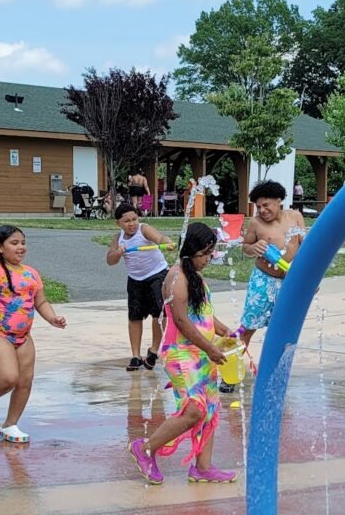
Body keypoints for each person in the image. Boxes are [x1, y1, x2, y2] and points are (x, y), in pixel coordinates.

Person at [127, 223, 236, 485]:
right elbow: (182, 321)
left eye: (212, 253)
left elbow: (204, 314)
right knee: (194, 411)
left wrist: (224, 332)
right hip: (182, 354)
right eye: (206, 253)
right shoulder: (176, 278)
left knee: (209, 409)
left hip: (202, 353)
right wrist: (210, 347)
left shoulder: (196, 276)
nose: (209, 259)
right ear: (193, 250)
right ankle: (144, 448)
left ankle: (202, 467)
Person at [0, 225, 66, 443]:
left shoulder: (31, 273)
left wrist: (52, 318)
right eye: (14, 243)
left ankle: (9, 424)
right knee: (8, 378)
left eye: (23, 242)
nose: (21, 247)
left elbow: (40, 301)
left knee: (25, 381)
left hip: (23, 336)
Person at [237, 180, 306, 352]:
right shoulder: (256, 223)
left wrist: (309, 279)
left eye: (266, 205)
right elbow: (245, 247)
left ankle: (275, 367)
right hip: (263, 280)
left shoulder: (295, 217)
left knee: (285, 326)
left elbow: (305, 247)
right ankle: (233, 365)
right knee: (249, 325)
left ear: (278, 200)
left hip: (290, 280)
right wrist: (253, 248)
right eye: (258, 206)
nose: (262, 210)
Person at [106, 203, 175, 371]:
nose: (132, 223)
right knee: (135, 317)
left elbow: (159, 238)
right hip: (135, 280)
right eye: (127, 221)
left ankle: (153, 351)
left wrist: (167, 242)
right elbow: (110, 260)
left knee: (159, 314)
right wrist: (119, 252)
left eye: (134, 219)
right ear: (119, 223)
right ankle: (136, 356)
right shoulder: (118, 238)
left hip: (157, 275)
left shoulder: (144, 229)